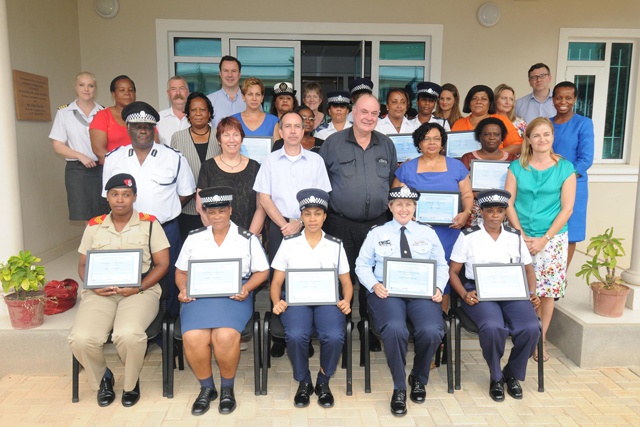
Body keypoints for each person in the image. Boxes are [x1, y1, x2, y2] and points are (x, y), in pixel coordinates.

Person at [68, 173, 170, 408]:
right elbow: (82, 265)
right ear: (107, 197)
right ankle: (103, 377)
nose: (120, 200)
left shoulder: (150, 224)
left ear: (134, 197)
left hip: (140, 291)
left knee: (128, 334)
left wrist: (139, 287)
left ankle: (131, 383)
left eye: (126, 195)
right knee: (81, 339)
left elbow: (163, 263)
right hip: (100, 292)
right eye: (114, 194)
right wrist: (93, 284)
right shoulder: (94, 226)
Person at [175, 186, 269, 416]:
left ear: (230, 211)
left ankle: (227, 388)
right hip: (199, 297)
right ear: (205, 213)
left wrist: (246, 288)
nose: (217, 217)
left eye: (222, 211)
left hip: (233, 297)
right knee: (194, 336)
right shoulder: (194, 239)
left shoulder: (246, 239)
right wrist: (183, 288)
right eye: (211, 212)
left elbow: (262, 271)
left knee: (225, 336)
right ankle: (207, 389)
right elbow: (180, 271)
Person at [355, 186, 448, 416]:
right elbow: (362, 264)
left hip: (421, 293)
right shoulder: (377, 233)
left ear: (415, 207)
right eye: (399, 204)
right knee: (395, 328)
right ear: (390, 207)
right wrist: (374, 285)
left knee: (432, 330)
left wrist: (438, 287)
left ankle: (418, 376)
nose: (404, 209)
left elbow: (442, 264)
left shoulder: (427, 232)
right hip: (387, 292)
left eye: (409, 204)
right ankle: (399, 387)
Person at [319, 94, 398, 352]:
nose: (368, 118)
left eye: (374, 113)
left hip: (376, 225)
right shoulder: (332, 143)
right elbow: (320, 182)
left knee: (372, 279)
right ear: (353, 113)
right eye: (364, 112)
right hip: (340, 223)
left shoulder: (386, 144)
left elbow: (392, 180)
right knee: (341, 277)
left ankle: (369, 332)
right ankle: (339, 332)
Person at [103, 101, 196, 317]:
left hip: (165, 229)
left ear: (154, 129)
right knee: (131, 276)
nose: (143, 131)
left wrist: (164, 210)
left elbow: (186, 192)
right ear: (128, 128)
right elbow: (107, 198)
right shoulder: (113, 159)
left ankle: (170, 324)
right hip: (127, 230)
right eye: (137, 126)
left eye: (147, 126)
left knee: (170, 278)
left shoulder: (173, 157)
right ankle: (136, 322)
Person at [448, 189, 541, 402]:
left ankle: (513, 373)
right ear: (481, 212)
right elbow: (453, 272)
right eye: (490, 211)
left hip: (513, 290)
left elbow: (528, 270)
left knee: (530, 327)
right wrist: (464, 294)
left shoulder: (515, 237)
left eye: (500, 211)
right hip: (479, 291)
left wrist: (531, 293)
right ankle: (496, 376)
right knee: (492, 327)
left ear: (505, 213)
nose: (495, 215)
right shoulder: (468, 236)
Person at [254, 111, 332, 357]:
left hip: (309, 226)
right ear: (280, 130)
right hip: (280, 227)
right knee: (281, 278)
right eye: (287, 126)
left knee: (306, 277)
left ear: (304, 128)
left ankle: (304, 334)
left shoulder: (315, 161)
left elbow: (324, 195)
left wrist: (299, 221)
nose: (293, 131)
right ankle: (281, 334)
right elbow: (264, 197)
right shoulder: (270, 160)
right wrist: (284, 224)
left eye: (297, 126)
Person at [270, 189, 353, 408]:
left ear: (325, 216)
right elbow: (277, 281)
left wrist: (346, 300)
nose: (312, 219)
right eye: (307, 214)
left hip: (328, 301)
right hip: (297, 301)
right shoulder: (289, 243)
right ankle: (304, 381)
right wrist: (276, 300)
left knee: (334, 336)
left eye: (317, 214)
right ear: (301, 217)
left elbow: (346, 282)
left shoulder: (335, 245)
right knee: (296, 335)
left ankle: (323, 380)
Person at [505, 117, 576, 363]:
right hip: (520, 236)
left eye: (546, 134)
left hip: (552, 239)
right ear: (528, 139)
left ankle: (540, 339)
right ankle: (526, 334)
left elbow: (567, 209)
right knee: (525, 289)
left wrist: (545, 239)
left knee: (547, 293)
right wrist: (522, 234)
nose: (542, 139)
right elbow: (508, 203)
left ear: (553, 137)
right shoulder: (516, 167)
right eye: (536, 135)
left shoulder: (565, 168)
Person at [393, 122, 474, 270]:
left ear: (442, 142)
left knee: (446, 273)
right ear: (419, 142)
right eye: (426, 138)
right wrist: (405, 215)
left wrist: (466, 213)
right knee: (418, 271)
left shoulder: (456, 166)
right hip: (415, 230)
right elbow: (395, 198)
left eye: (436, 138)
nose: (432, 143)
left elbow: (467, 195)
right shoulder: (407, 168)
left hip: (449, 230)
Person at [49, 71, 109, 221]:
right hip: (78, 170)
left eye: (90, 85)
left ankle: (105, 245)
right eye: (82, 85)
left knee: (106, 213)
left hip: (103, 168)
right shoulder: (64, 112)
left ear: (96, 88)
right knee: (86, 215)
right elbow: (58, 145)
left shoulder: (104, 112)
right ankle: (91, 245)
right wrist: (80, 156)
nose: (86, 89)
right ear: (75, 87)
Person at [196, 117, 266, 234]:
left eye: (236, 134)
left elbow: (261, 206)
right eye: (226, 135)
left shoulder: (255, 167)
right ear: (219, 140)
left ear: (242, 139)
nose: (232, 140)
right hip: (217, 236)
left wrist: (249, 237)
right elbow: (200, 207)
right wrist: (219, 236)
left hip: (249, 234)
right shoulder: (207, 167)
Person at [551, 81, 594, 268]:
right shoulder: (547, 124)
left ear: (575, 99)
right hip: (548, 185)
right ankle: (548, 273)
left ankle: (561, 276)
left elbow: (585, 159)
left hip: (575, 185)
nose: (563, 101)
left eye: (568, 97)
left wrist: (564, 178)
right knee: (549, 228)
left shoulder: (583, 123)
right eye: (559, 97)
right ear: (553, 99)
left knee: (570, 234)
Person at [170, 92, 221, 241]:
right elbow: (174, 172)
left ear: (209, 113)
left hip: (216, 207)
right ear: (188, 113)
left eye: (203, 110)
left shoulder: (220, 136)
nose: (198, 113)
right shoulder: (178, 137)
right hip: (187, 208)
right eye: (193, 110)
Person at [460, 117, 518, 226]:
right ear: (479, 136)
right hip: (476, 207)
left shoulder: (513, 159)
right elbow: (463, 188)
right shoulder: (468, 158)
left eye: (496, 134)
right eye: (487, 134)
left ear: (502, 137)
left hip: (505, 206)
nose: (492, 138)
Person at [452, 85, 522, 154]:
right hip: (463, 164)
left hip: (496, 163)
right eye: (474, 98)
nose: (478, 102)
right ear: (469, 103)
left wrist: (494, 155)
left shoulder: (501, 120)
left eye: (484, 99)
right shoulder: (459, 123)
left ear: (490, 103)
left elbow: (518, 146)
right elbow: (452, 149)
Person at [90, 75, 136, 163]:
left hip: (143, 171)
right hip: (114, 170)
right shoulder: (103, 116)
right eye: (122, 90)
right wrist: (122, 166)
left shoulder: (143, 115)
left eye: (130, 90)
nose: (127, 93)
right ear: (113, 94)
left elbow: (154, 144)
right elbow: (98, 150)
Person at [208, 56, 246, 128]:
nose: (230, 75)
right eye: (226, 71)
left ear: (239, 74)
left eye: (234, 71)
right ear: (220, 74)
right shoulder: (209, 101)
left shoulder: (252, 101)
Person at [158, 76, 190, 146]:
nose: (178, 93)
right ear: (168, 93)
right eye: (173, 89)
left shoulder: (198, 118)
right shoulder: (159, 119)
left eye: (181, 88)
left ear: (187, 92)